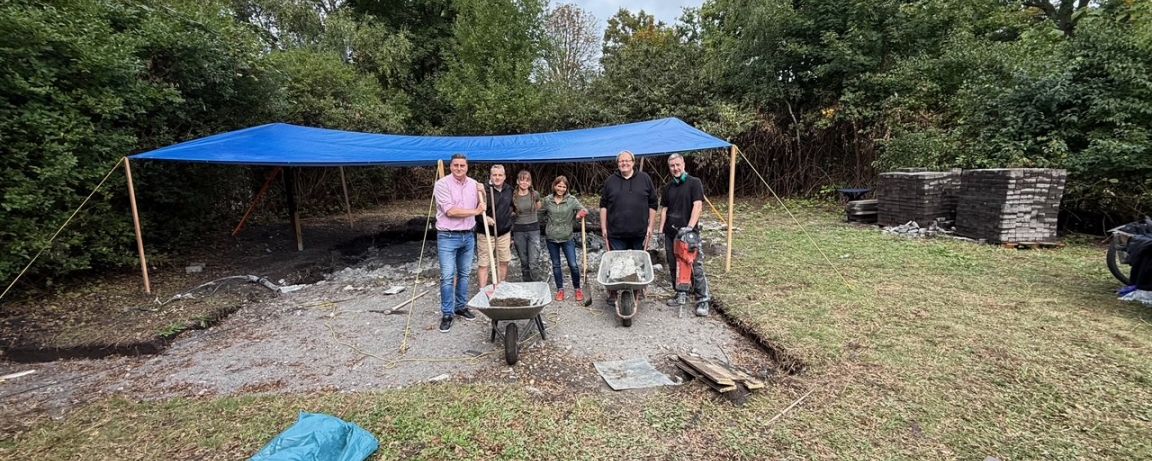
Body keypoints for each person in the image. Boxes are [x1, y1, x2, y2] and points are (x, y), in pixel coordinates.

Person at [433, 153, 485, 333]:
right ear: (450, 166)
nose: (459, 168)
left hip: (468, 235)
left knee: (464, 274)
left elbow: (483, 204)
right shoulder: (442, 184)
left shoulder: (473, 184)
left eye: (462, 165)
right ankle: (447, 314)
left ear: (467, 167)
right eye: (456, 165)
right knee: (448, 276)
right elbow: (450, 211)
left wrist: (483, 192)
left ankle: (461, 307)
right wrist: (475, 211)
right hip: (447, 236)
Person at [599, 150, 657, 305]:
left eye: (627, 160)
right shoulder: (610, 181)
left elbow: (653, 204)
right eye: (621, 161)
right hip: (616, 233)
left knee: (638, 265)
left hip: (639, 232)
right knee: (616, 263)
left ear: (633, 162)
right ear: (618, 164)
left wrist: (651, 226)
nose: (624, 163)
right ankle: (613, 291)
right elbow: (603, 206)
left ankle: (637, 290)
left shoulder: (645, 179)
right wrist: (603, 228)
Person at [659, 154, 711, 316]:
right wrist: (660, 231)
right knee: (673, 265)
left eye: (678, 165)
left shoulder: (694, 183)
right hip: (671, 233)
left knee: (695, 266)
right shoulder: (668, 188)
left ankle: (703, 300)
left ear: (683, 164)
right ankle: (681, 293)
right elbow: (664, 210)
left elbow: (698, 205)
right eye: (672, 166)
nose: (675, 168)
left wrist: (689, 227)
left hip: (689, 234)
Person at [542, 176, 589, 302]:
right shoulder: (547, 200)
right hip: (551, 238)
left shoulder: (571, 200)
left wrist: (580, 214)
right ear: (554, 186)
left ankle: (577, 288)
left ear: (567, 188)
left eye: (564, 187)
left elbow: (583, 210)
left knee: (573, 265)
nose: (561, 189)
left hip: (567, 237)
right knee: (556, 265)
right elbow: (540, 214)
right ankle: (560, 289)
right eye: (559, 186)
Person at [476, 165, 514, 290]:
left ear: (504, 176)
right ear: (490, 176)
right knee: (484, 263)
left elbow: (513, 207)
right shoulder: (483, 190)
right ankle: (482, 290)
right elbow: (474, 211)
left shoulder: (509, 190)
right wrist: (484, 218)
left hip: (504, 233)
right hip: (486, 233)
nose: (497, 178)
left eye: (500, 175)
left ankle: (500, 288)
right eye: (494, 175)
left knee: (503, 261)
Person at [511, 170, 542, 282]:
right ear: (517, 181)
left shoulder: (535, 194)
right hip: (519, 231)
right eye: (522, 180)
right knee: (524, 261)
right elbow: (511, 212)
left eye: (527, 180)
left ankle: (537, 284)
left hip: (533, 230)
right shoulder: (513, 196)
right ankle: (527, 284)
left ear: (530, 182)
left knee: (533, 262)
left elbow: (538, 206)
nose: (524, 182)